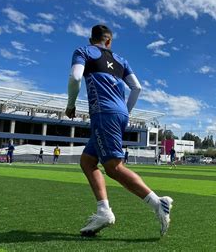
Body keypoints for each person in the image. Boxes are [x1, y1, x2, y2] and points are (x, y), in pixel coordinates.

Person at [65, 24, 173, 237]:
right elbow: (137, 87)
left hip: (103, 113)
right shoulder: (121, 60)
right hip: (119, 114)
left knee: (113, 167)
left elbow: (76, 77)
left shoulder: (83, 51)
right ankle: (103, 211)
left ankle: (158, 203)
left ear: (91, 39)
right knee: (87, 161)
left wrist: (70, 105)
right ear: (109, 41)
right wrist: (126, 111)